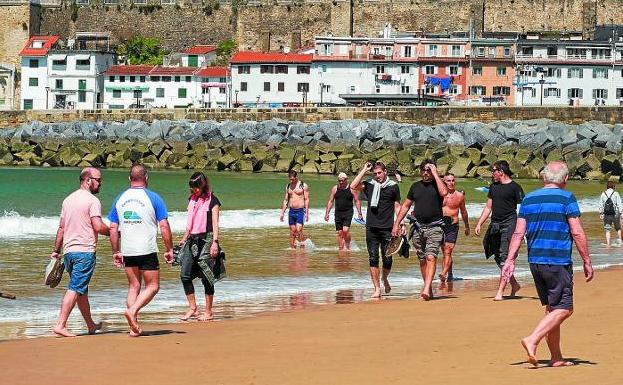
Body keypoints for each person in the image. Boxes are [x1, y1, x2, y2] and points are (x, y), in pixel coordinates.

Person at [499, 161, 594, 367]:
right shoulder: (567, 198)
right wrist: (586, 260)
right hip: (557, 261)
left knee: (552, 309)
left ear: (544, 178)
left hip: (535, 261)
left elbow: (518, 232)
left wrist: (510, 260)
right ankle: (532, 339)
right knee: (565, 309)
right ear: (566, 179)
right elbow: (576, 231)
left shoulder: (529, 199)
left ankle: (556, 357)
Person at [108, 164, 174, 337]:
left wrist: (115, 251)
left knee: (133, 286)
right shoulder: (153, 197)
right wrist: (169, 249)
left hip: (128, 249)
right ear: (147, 178)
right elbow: (164, 225)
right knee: (153, 286)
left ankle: (133, 327)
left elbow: (113, 227)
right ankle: (133, 311)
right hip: (146, 248)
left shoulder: (120, 198)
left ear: (130, 179)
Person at [50, 167, 109, 337]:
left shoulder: (68, 200)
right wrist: (115, 232)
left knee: (82, 290)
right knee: (76, 288)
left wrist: (56, 250)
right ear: (88, 180)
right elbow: (98, 226)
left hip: (69, 252)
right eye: (98, 180)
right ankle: (60, 325)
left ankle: (91, 325)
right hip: (85, 252)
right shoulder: (92, 201)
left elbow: (61, 228)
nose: (100, 184)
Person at [393, 159, 448, 300]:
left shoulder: (438, 185)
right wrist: (397, 223)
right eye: (423, 170)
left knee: (431, 256)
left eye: (428, 170)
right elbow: (405, 206)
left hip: (435, 227)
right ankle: (428, 288)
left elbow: (444, 193)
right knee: (422, 259)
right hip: (418, 228)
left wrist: (435, 173)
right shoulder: (415, 186)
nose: (425, 173)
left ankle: (426, 288)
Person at [475, 160, 524, 300]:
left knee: (504, 256)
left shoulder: (515, 187)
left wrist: (523, 229)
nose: (492, 173)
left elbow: (524, 208)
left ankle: (500, 291)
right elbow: (488, 207)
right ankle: (514, 284)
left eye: (494, 171)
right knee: (495, 254)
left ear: (501, 172)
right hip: (495, 224)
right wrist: (479, 223)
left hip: (510, 224)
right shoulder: (493, 187)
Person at [351, 161, 401, 298]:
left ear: (385, 172)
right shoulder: (369, 185)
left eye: (379, 173)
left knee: (387, 259)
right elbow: (353, 186)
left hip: (387, 228)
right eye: (375, 173)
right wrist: (364, 170)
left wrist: (400, 223)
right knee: (373, 258)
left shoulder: (393, 187)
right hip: (371, 227)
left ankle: (385, 278)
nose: (377, 176)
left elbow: (397, 207)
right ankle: (377, 288)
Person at [177, 172, 222, 321]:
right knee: (185, 275)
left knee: (207, 277)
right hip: (192, 239)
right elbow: (190, 224)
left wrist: (215, 242)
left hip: (207, 239)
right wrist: (183, 240)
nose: (194, 190)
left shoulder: (213, 201)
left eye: (197, 187)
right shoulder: (192, 200)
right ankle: (193, 308)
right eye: (192, 187)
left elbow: (215, 223)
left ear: (203, 185)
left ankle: (208, 312)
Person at [439, 172, 470, 282]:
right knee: (444, 252)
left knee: (448, 251)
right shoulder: (439, 194)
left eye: (453, 180)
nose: (451, 183)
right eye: (448, 180)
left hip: (453, 225)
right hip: (440, 225)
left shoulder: (459, 196)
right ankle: (449, 273)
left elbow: (464, 212)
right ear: (444, 181)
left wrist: (467, 226)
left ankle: (443, 273)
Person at [324, 172, 363, 251]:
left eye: (342, 180)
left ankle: (347, 246)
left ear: (346, 180)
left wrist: (360, 213)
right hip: (338, 213)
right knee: (340, 233)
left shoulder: (351, 189)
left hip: (348, 212)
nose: (341, 182)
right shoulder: (335, 188)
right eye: (339, 181)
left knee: (345, 230)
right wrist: (327, 213)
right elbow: (331, 201)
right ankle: (341, 249)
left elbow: (357, 201)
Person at [279, 170, 310, 249]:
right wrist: (282, 212)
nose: (291, 180)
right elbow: (286, 200)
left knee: (299, 230)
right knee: (292, 232)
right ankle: (292, 249)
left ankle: (302, 247)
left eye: (292, 179)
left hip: (300, 211)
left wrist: (307, 212)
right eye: (290, 179)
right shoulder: (288, 186)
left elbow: (306, 199)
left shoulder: (303, 185)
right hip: (291, 211)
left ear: (296, 177)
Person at [599, 180, 622, 247]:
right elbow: (619, 204)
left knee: (607, 230)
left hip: (606, 214)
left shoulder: (603, 194)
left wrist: (601, 213)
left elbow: (601, 204)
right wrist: (621, 213)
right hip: (615, 214)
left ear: (607, 186)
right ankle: (621, 242)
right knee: (618, 228)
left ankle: (608, 244)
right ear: (613, 186)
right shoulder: (616, 193)